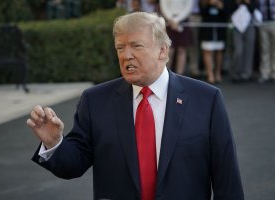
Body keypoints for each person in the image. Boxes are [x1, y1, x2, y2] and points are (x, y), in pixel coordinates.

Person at [27, 12, 244, 200]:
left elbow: (227, 179)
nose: (126, 55)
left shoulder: (206, 99)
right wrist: (55, 143)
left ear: (163, 51)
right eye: (120, 47)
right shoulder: (95, 101)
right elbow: (73, 165)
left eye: (136, 46)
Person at [199, 0, 228, 84]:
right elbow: (200, 12)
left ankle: (218, 72)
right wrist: (209, 4)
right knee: (207, 50)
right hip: (207, 29)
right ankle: (210, 74)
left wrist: (220, 6)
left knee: (219, 51)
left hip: (219, 29)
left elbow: (227, 14)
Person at [231, 0, 258, 83]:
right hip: (236, 24)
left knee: (249, 49)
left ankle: (246, 74)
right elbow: (228, 8)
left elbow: (255, 8)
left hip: (250, 23)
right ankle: (236, 73)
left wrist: (248, 2)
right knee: (238, 50)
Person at [257, 0, 275, 83]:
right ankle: (265, 73)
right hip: (263, 23)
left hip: (273, 22)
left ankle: (273, 73)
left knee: (274, 50)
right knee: (264, 49)